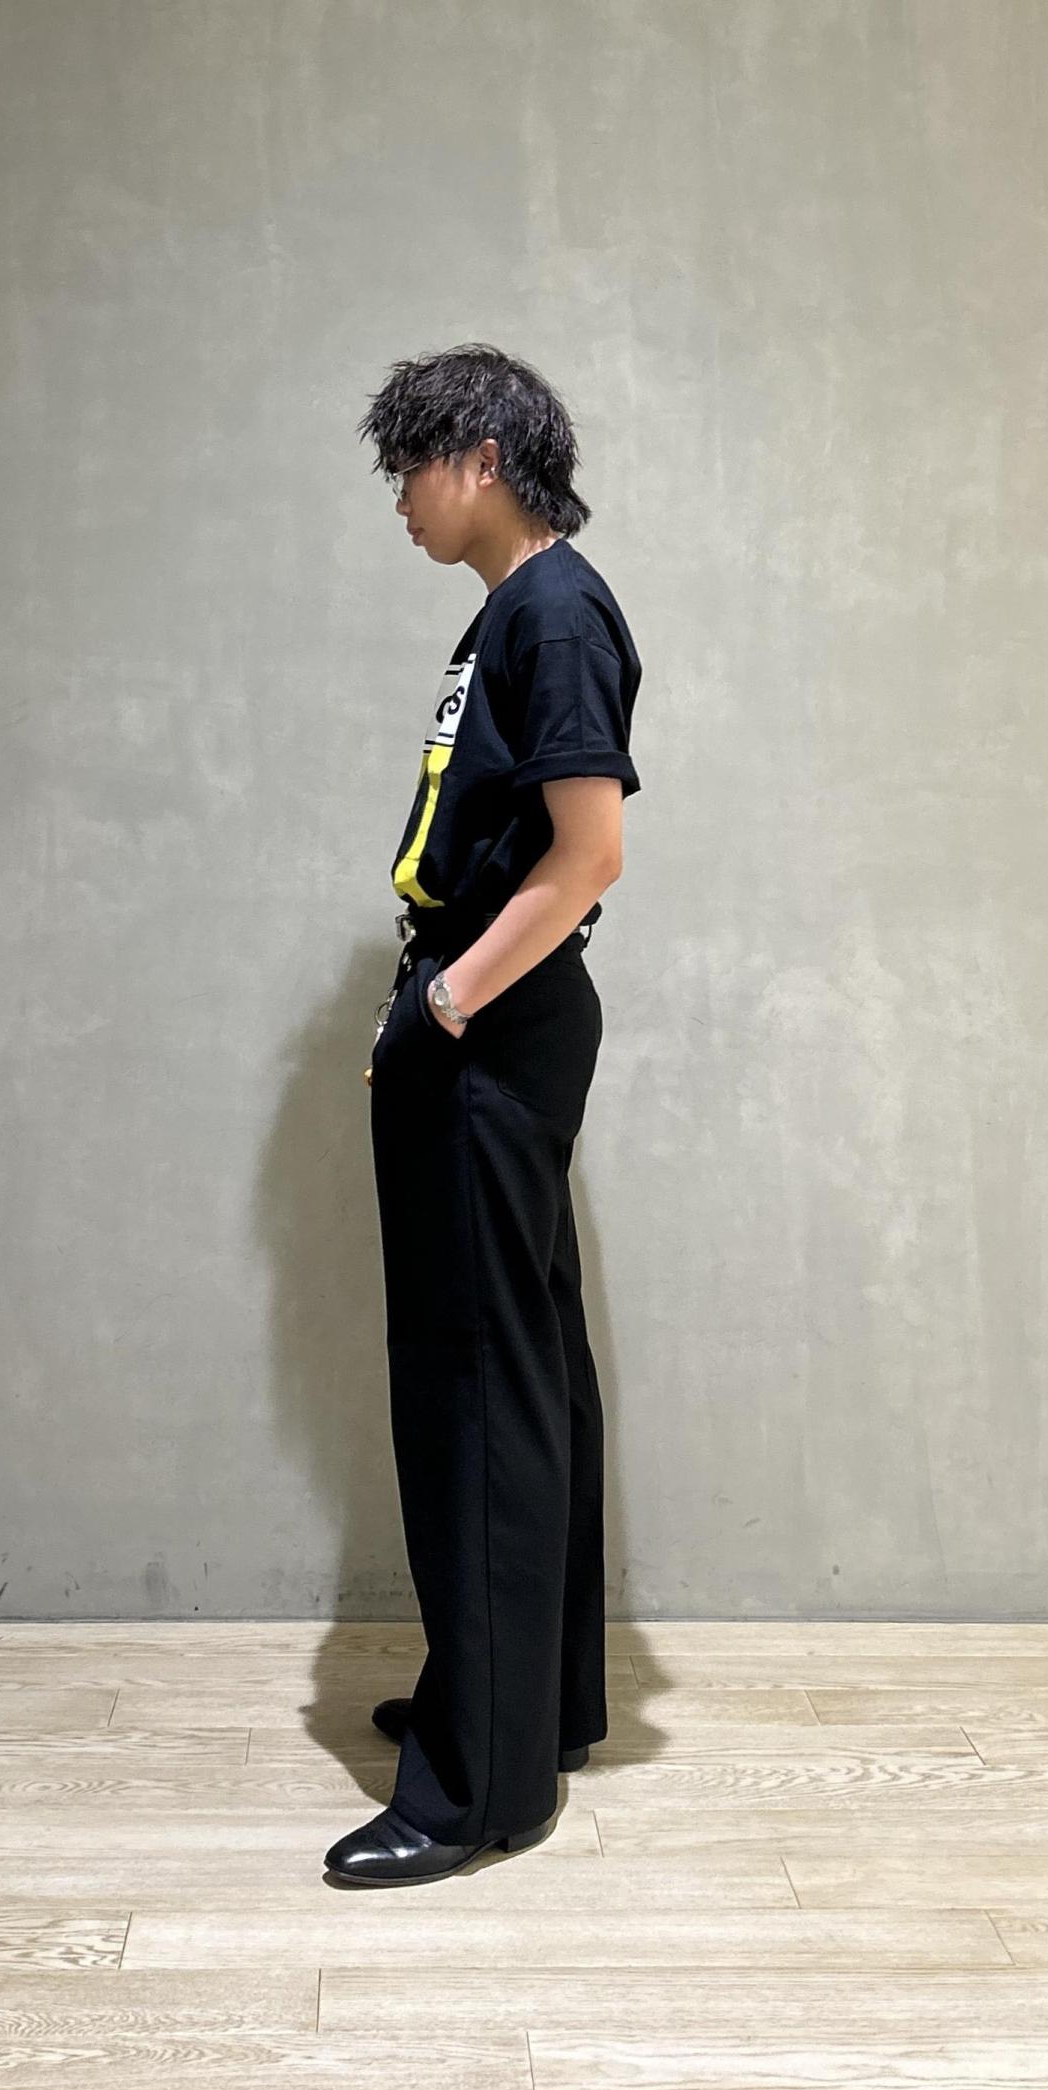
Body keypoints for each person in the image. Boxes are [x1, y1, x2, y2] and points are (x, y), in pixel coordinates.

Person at [324, 343, 642, 1887]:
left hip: (494, 1027)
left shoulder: (556, 610)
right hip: (494, 1022)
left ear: (487, 457)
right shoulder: (512, 611)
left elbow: (590, 852)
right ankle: (528, 1703)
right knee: (526, 1372)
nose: (400, 495)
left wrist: (447, 1004)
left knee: (476, 1389)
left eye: (414, 464)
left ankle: (477, 1791)